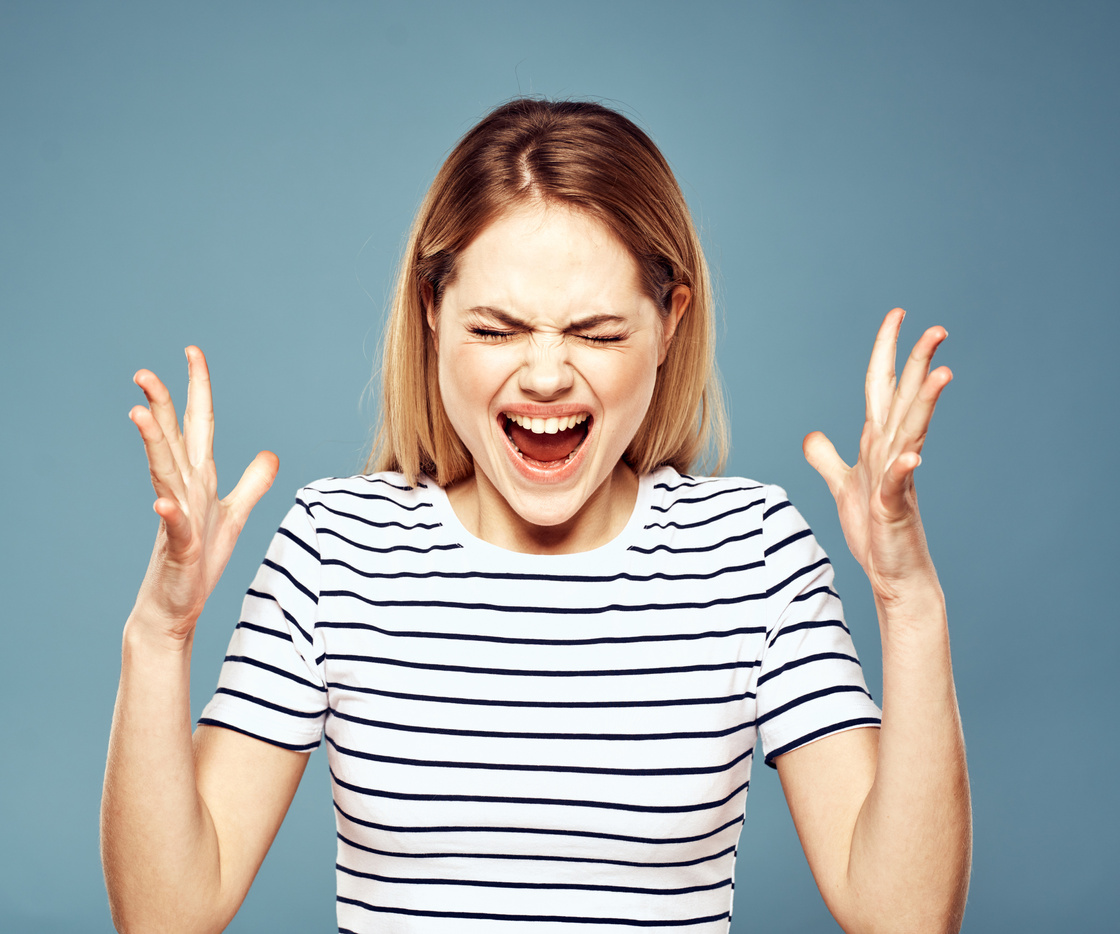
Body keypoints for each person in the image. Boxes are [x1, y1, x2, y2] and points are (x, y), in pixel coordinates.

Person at [100, 99, 970, 933]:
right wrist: (161, 631)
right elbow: (171, 914)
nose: (546, 376)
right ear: (434, 313)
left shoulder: (752, 553)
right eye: (498, 329)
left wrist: (909, 601)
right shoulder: (337, 549)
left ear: (670, 323)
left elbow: (901, 916)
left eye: (594, 333)